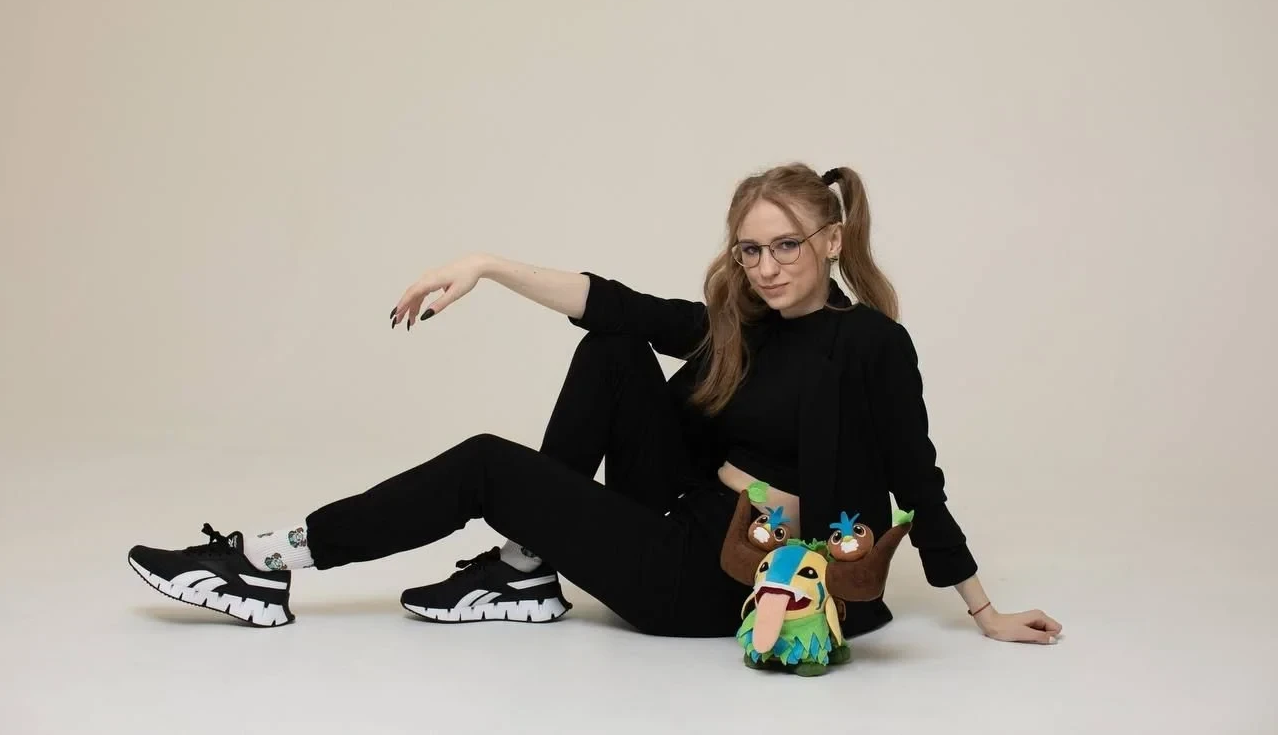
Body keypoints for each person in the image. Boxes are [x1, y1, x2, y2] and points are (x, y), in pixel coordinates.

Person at [127, 162, 1062, 645]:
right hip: (685, 515)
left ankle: (267, 559)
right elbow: (613, 304)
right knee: (613, 347)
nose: (766, 267)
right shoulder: (740, 326)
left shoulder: (871, 345)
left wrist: (983, 609)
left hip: (727, 580)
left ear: (831, 238)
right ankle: (527, 568)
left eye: (786, 246)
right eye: (750, 250)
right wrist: (486, 265)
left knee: (488, 463)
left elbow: (917, 480)